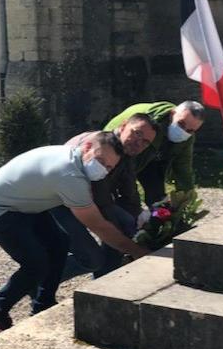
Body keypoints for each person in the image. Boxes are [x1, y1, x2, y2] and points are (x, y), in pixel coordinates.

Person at [0, 132, 149, 334]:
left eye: (109, 167)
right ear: (87, 147)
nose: (102, 168)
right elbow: (98, 226)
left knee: (59, 245)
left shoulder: (72, 159)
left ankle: (43, 303)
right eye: (100, 160)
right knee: (36, 263)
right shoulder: (69, 175)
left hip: (23, 205)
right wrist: (137, 250)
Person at [51, 113, 159, 277]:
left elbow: (128, 189)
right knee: (91, 257)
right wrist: (123, 238)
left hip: (89, 201)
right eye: (137, 133)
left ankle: (105, 280)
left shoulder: (126, 152)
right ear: (123, 126)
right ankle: (40, 279)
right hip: (60, 202)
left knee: (127, 225)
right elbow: (99, 195)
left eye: (145, 142)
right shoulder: (102, 146)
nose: (139, 143)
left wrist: (140, 219)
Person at [104, 101, 205, 209]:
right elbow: (128, 167)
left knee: (157, 198)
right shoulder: (147, 124)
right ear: (172, 114)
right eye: (181, 124)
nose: (183, 131)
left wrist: (188, 201)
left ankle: (158, 218)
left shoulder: (187, 138)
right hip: (118, 150)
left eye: (190, 130)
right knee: (113, 189)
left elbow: (183, 168)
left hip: (154, 159)